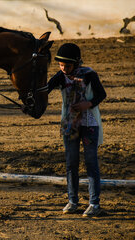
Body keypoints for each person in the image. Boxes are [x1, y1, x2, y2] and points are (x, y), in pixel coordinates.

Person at [47, 43, 107, 217]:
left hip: (89, 123)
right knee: (71, 163)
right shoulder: (60, 76)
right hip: (70, 124)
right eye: (61, 65)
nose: (64, 68)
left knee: (91, 162)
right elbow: (45, 90)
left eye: (67, 65)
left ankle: (94, 203)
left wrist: (86, 104)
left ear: (77, 63)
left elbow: (101, 95)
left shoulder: (90, 74)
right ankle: (73, 201)